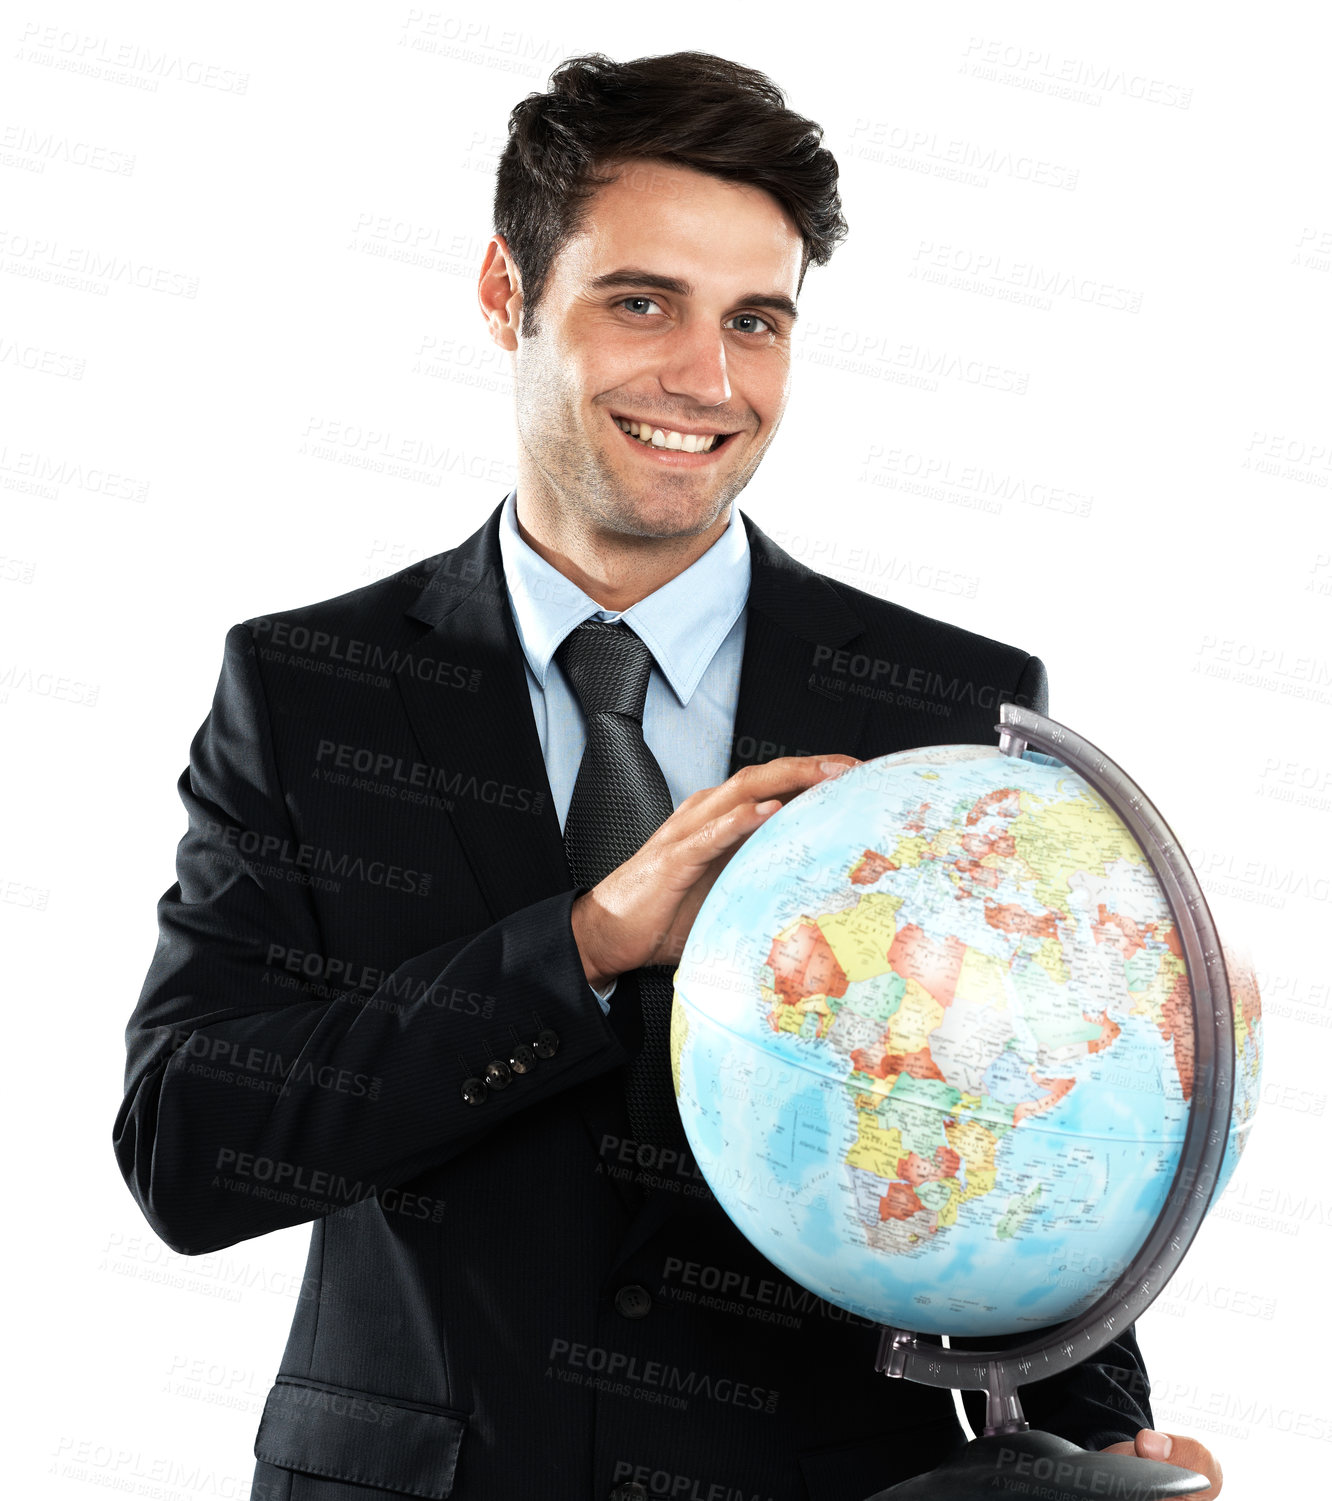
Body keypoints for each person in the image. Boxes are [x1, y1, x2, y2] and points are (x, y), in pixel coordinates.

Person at [114, 50, 1221, 1500]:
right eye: (642, 301)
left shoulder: (946, 700)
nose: (706, 380)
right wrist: (580, 946)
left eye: (755, 321)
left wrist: (1095, 1434)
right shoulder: (309, 685)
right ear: (506, 293)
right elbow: (190, 1146)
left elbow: (1039, 1118)